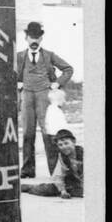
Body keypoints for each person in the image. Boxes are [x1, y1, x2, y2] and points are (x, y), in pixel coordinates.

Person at [14, 21, 74, 178]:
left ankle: (54, 170)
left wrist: (56, 84)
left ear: (41, 39)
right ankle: (27, 170)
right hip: (26, 95)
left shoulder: (49, 55)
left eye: (37, 38)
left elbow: (68, 69)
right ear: (26, 38)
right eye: (31, 37)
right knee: (27, 133)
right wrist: (17, 84)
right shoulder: (19, 56)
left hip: (44, 96)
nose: (34, 41)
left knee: (48, 133)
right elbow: (8, 72)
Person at [21, 129, 83, 198]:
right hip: (70, 183)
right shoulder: (62, 157)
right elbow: (58, 175)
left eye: (66, 143)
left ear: (74, 142)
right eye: (60, 145)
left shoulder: (83, 154)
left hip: (81, 185)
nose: (64, 147)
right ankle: (27, 187)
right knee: (47, 190)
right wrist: (62, 191)